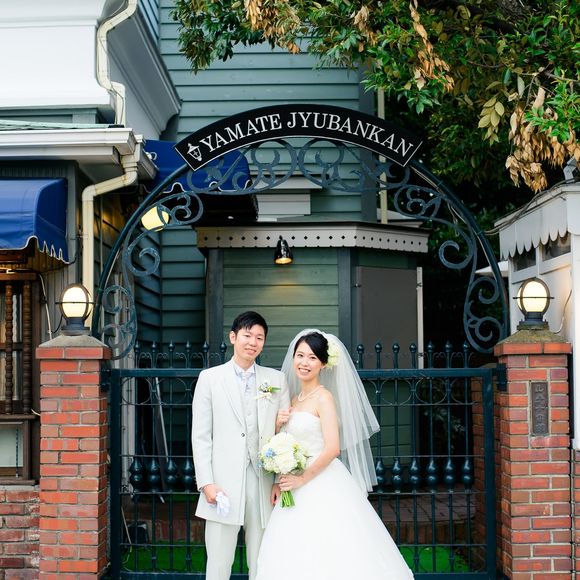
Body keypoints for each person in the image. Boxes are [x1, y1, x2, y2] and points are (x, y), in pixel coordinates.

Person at [256, 329, 415, 580]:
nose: (304, 362)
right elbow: (285, 443)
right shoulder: (294, 400)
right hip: (292, 483)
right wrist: (279, 477)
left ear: (322, 364)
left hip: (320, 480)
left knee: (331, 546)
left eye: (312, 358)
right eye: (300, 355)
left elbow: (332, 448)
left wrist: (302, 479)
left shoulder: (324, 398)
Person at [191, 311, 290, 580]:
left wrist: (279, 481)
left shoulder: (276, 380)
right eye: (247, 335)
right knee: (219, 561)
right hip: (222, 484)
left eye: (259, 337)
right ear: (233, 337)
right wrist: (207, 483)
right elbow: (201, 436)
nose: (253, 342)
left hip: (263, 481)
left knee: (262, 560)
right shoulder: (210, 378)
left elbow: (285, 436)